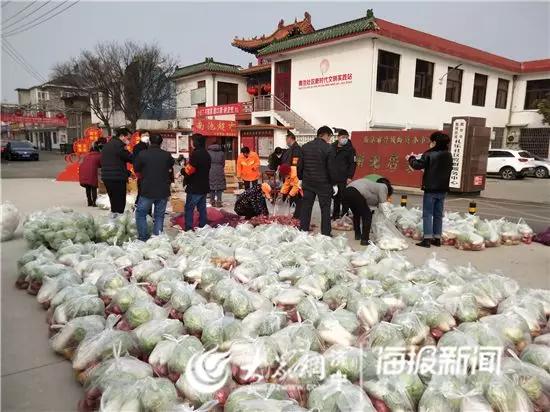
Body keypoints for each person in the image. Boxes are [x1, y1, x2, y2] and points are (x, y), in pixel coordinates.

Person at [408, 131, 453, 248]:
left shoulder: (429, 154)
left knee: (427, 214)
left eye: (431, 141)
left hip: (431, 188)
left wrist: (411, 158)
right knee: (438, 214)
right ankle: (437, 238)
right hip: (443, 189)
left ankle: (427, 239)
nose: (430, 143)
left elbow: (417, 165)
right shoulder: (448, 155)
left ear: (434, 142)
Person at [133, 134, 175, 241]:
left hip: (147, 189)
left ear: (149, 142)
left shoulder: (142, 154)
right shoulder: (166, 155)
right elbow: (171, 166)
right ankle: (157, 239)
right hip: (163, 190)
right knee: (159, 216)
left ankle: (143, 237)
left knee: (141, 213)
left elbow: (136, 169)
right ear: (161, 143)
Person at [298, 125, 335, 236]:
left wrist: (301, 178)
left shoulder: (305, 147)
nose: (329, 139)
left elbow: (300, 166)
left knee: (306, 207)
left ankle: (303, 231)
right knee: (325, 209)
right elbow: (331, 168)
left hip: (308, 182)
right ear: (324, 135)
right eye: (329, 137)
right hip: (323, 183)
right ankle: (326, 234)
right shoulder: (328, 148)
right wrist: (334, 184)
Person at [344, 177, 393, 245]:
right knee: (367, 215)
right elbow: (384, 204)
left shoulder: (372, 186)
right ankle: (365, 240)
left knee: (357, 213)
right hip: (356, 192)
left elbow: (367, 201)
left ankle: (358, 235)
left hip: (346, 191)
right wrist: (389, 218)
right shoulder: (383, 187)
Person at [182, 134, 211, 231]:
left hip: (194, 187)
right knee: (202, 208)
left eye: (192, 141)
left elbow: (190, 170)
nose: (191, 143)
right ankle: (203, 226)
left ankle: (189, 228)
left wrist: (182, 171)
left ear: (196, 142)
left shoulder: (195, 154)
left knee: (189, 208)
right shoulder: (206, 154)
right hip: (204, 186)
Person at [101, 127, 132, 215]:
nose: (128, 140)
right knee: (120, 204)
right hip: (117, 178)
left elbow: (114, 161)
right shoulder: (119, 145)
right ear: (122, 136)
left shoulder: (108, 145)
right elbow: (130, 158)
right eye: (128, 138)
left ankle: (113, 221)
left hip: (107, 177)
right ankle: (118, 222)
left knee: (113, 202)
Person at [330, 129, 357, 220]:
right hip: (333, 178)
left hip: (344, 178)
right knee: (335, 197)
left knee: (344, 197)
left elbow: (353, 164)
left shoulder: (350, 149)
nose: (345, 139)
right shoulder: (332, 147)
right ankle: (335, 215)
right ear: (338, 137)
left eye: (346, 137)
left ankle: (344, 215)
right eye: (343, 137)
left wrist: (350, 176)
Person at [280, 131, 303, 219]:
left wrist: (289, 194)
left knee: (296, 199)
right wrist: (282, 192)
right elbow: (286, 183)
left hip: (295, 178)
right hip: (290, 176)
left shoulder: (296, 149)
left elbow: (295, 163)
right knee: (292, 198)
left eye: (286, 139)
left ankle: (297, 217)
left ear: (290, 138)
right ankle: (294, 215)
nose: (286, 141)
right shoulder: (291, 149)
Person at [78, 143, 102, 207]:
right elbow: (101, 165)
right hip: (92, 173)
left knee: (87, 187)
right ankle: (94, 202)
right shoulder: (99, 156)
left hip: (84, 173)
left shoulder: (86, 155)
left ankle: (89, 202)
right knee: (93, 187)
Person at [133, 130, 150, 207]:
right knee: (141, 192)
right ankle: (137, 207)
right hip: (141, 173)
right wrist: (137, 173)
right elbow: (136, 161)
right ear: (140, 137)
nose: (146, 137)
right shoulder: (137, 147)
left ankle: (147, 211)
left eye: (147, 135)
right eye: (144, 135)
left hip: (150, 174)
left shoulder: (150, 146)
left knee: (148, 193)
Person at [208, 142, 226, 207]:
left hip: (210, 170)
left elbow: (207, 162)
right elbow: (223, 163)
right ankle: (219, 202)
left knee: (211, 186)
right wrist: (220, 167)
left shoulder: (208, 152)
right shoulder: (221, 153)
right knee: (219, 187)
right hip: (220, 170)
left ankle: (212, 201)